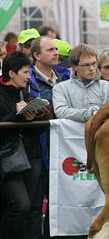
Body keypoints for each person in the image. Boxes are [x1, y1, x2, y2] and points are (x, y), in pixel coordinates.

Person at [0, 52, 48, 239]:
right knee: (21, 205)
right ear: (12, 73)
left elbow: (41, 128)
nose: (29, 76)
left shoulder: (26, 93)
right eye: (25, 72)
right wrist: (16, 115)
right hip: (8, 158)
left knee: (29, 209)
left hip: (31, 156)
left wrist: (35, 116)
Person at [52, 44, 109, 122]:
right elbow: (61, 112)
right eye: (86, 65)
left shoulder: (107, 87)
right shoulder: (60, 88)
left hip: (103, 133)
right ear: (75, 67)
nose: (91, 68)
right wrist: (90, 113)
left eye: (94, 64)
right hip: (73, 134)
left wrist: (97, 113)